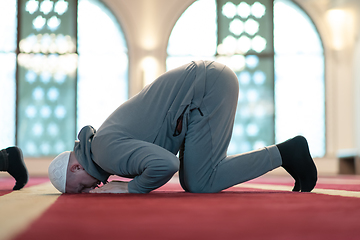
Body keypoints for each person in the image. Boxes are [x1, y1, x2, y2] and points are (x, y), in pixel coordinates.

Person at [48, 60, 317, 194]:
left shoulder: (104, 152)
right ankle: (286, 153)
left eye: (80, 188)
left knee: (200, 182)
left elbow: (166, 164)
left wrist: (128, 189)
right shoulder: (102, 148)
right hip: (204, 87)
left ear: (75, 167)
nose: (90, 191)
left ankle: (288, 152)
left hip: (206, 88)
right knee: (195, 181)